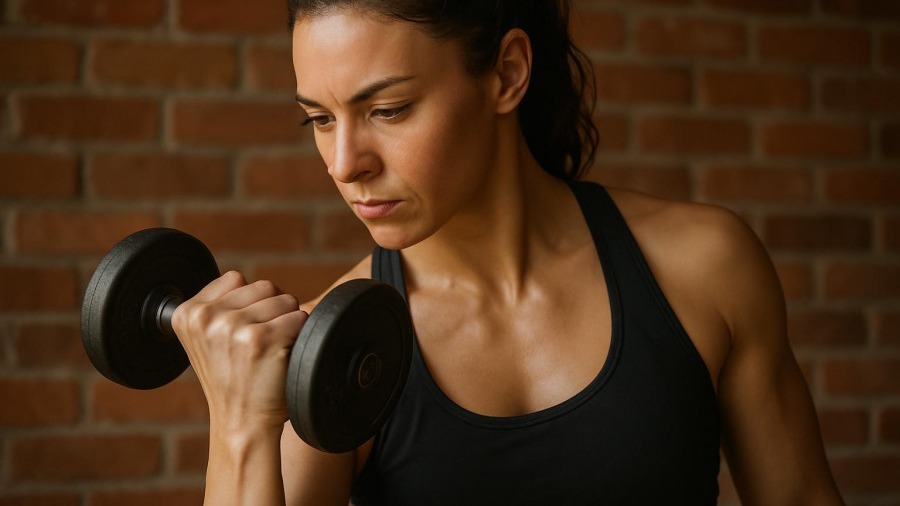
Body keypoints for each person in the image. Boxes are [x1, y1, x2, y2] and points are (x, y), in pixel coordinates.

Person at [171, 1, 845, 504]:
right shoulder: (333, 352)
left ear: (507, 74)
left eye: (390, 108)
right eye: (319, 119)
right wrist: (240, 423)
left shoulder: (703, 267)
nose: (344, 163)